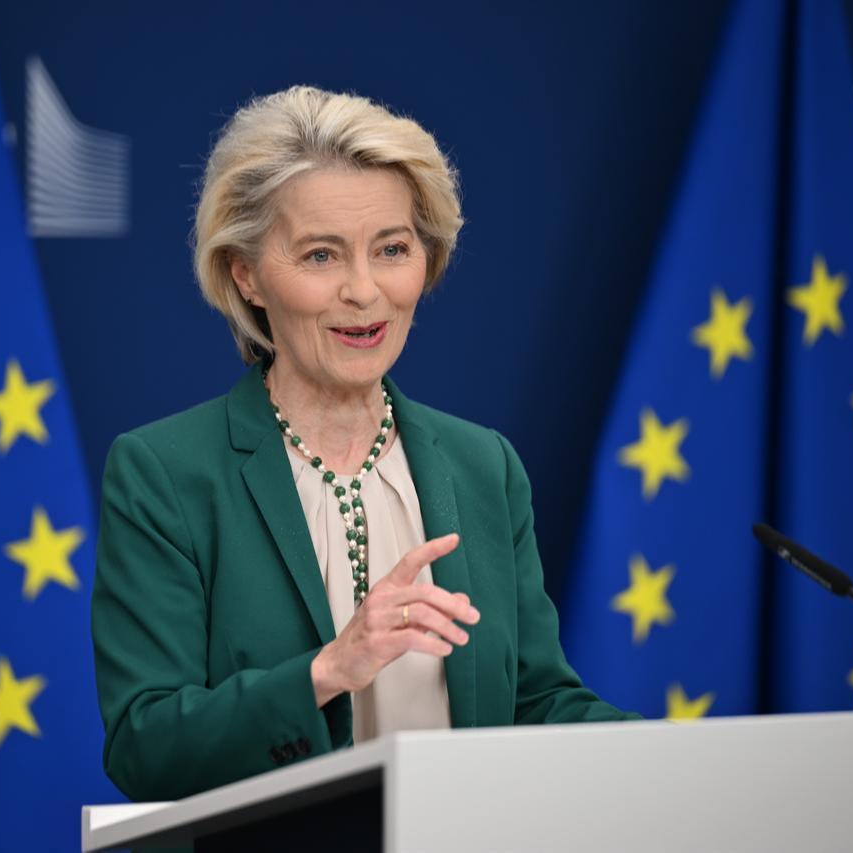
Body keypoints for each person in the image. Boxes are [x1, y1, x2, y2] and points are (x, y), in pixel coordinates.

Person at [91, 85, 637, 803]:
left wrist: (677, 755)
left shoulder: (484, 465)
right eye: (321, 255)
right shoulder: (165, 473)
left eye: (392, 249)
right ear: (246, 274)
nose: (364, 290)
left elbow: (535, 703)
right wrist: (326, 672)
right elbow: (145, 747)